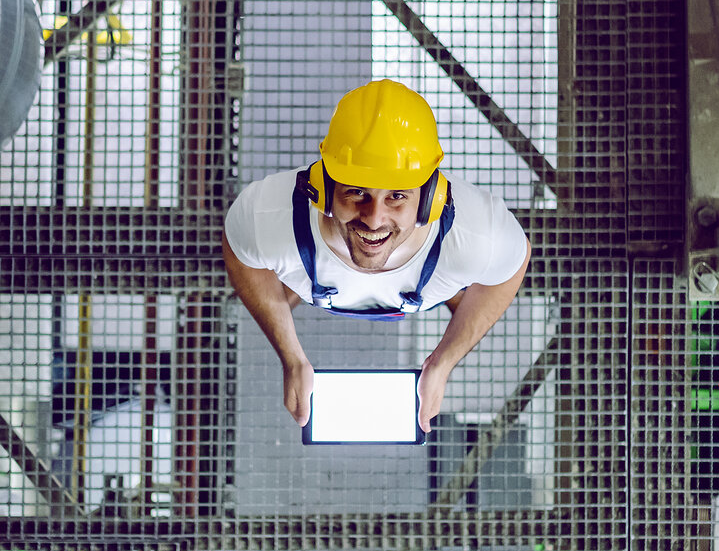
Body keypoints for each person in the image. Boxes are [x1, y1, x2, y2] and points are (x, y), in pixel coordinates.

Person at [223, 80, 530, 429]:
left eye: (397, 196)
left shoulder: (479, 233)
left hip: (422, 282)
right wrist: (291, 356)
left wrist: (443, 362)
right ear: (322, 188)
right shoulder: (266, 217)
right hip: (311, 277)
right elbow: (239, 253)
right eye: (356, 192)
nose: (374, 219)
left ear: (431, 197)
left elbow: (512, 267)